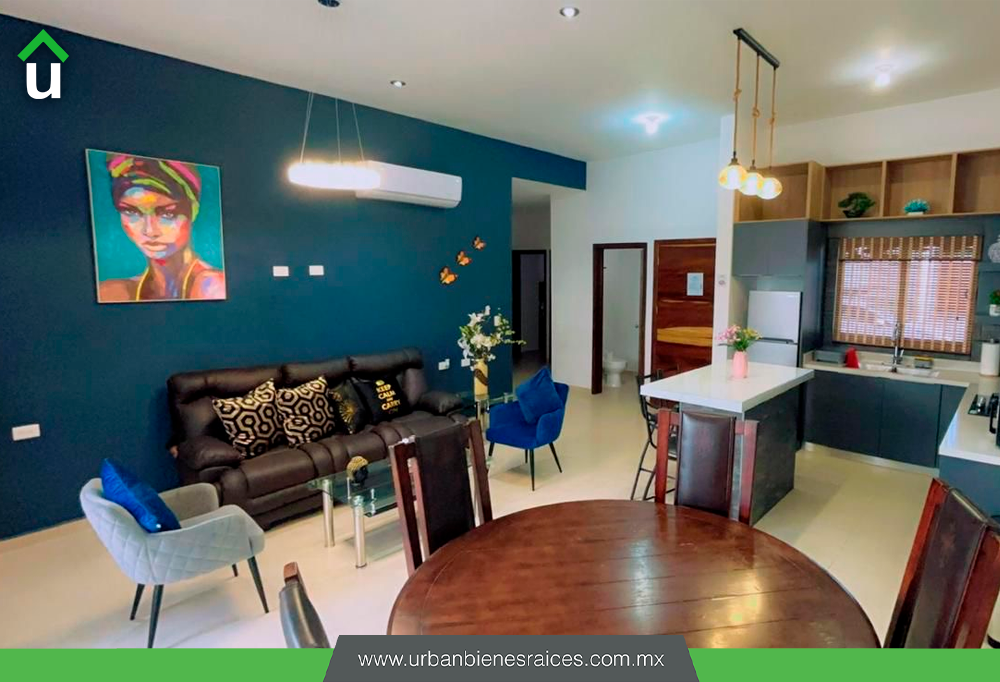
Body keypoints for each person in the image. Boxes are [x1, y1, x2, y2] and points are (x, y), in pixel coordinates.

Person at [97, 154, 225, 302]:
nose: (149, 231)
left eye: (167, 214)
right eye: (131, 212)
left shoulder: (213, 287)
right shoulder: (112, 293)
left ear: (193, 211)